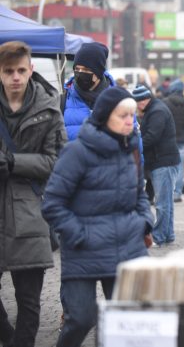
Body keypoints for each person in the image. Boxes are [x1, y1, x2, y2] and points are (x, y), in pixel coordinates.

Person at [42, 87, 154, 347]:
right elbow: (52, 203)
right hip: (84, 249)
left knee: (124, 321)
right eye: (123, 116)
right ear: (104, 117)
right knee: (81, 319)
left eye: (132, 115)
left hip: (126, 246)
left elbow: (140, 194)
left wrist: (144, 222)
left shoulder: (130, 149)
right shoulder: (77, 152)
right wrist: (79, 234)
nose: (130, 121)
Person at [0, 41, 67, 347]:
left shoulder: (48, 109)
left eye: (20, 70)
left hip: (30, 210)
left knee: (28, 300)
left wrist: (14, 162)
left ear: (31, 69)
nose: (15, 77)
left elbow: (58, 161)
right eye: (8, 71)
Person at [132, 84, 179, 246]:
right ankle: (168, 235)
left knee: (162, 204)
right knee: (167, 203)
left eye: (137, 102)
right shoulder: (155, 109)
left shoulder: (157, 111)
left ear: (143, 100)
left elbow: (152, 137)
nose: (137, 106)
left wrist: (135, 146)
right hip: (164, 161)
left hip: (163, 162)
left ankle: (158, 236)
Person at [63, 42, 113, 141]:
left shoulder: (117, 99)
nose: (80, 73)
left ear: (98, 72)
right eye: (77, 69)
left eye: (86, 70)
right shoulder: (64, 98)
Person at [162, 79, 184, 202]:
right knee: (180, 166)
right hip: (182, 139)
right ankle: (177, 192)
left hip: (168, 139)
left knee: (168, 166)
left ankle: (168, 191)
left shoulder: (165, 103)